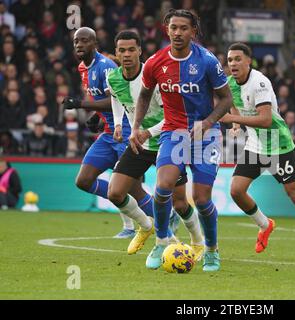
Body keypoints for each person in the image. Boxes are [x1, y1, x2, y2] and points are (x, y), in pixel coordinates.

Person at [130, 9, 233, 272]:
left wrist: (208, 123)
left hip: (205, 135)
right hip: (173, 132)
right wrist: (136, 127)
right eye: (173, 27)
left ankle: (211, 250)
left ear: (193, 31)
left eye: (183, 28)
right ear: (167, 29)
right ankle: (161, 241)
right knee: (163, 187)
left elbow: (226, 99)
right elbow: (143, 96)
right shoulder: (155, 62)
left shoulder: (207, 61)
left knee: (201, 199)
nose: (178, 32)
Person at [221, 42, 295, 261]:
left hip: (278, 145)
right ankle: (264, 224)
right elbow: (232, 103)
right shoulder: (230, 83)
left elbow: (266, 119)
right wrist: (235, 123)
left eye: (238, 59)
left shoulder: (259, 82)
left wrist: (233, 118)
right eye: (230, 59)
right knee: (236, 190)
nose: (233, 63)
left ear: (249, 61)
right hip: (254, 145)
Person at [106, 30, 204, 258]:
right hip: (140, 143)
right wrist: (119, 123)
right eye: (122, 50)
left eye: (132, 49)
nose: (127, 54)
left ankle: (198, 242)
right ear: (117, 53)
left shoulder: (154, 79)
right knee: (115, 192)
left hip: (167, 141)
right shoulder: (113, 78)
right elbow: (116, 97)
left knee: (180, 203)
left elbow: (173, 116)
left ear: (140, 50)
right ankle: (146, 225)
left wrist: (147, 132)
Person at [62, 27, 147, 239]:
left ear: (94, 44)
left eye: (84, 41)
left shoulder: (106, 66)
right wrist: (97, 117)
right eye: (76, 41)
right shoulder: (83, 68)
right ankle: (132, 222)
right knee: (84, 181)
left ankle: (162, 219)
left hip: (126, 130)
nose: (79, 45)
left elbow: (115, 99)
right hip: (108, 133)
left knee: (134, 188)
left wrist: (81, 105)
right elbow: (101, 100)